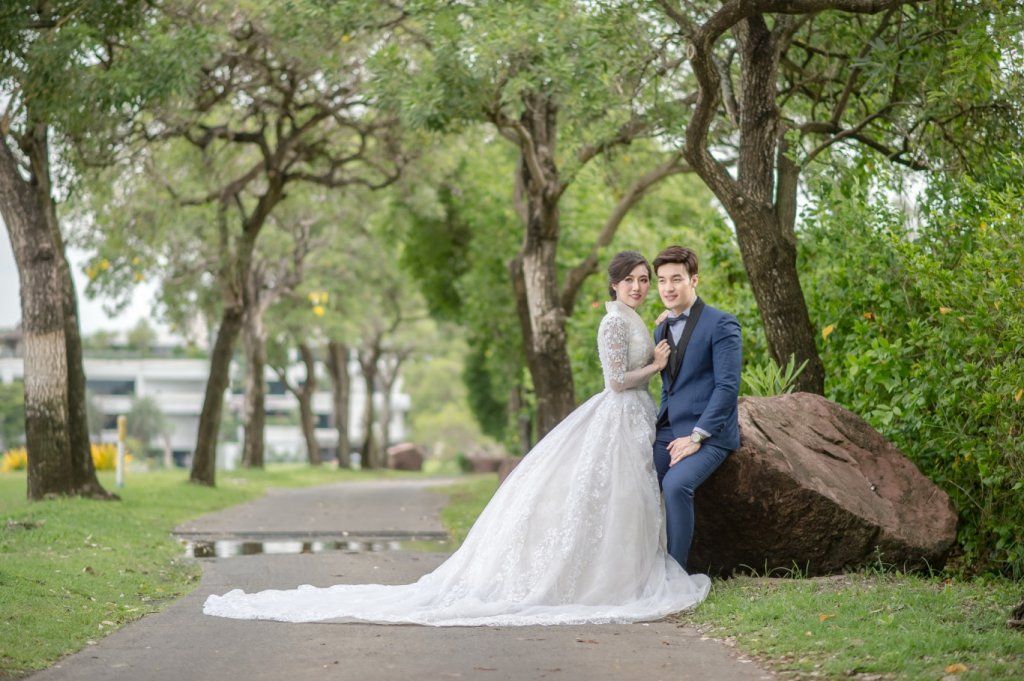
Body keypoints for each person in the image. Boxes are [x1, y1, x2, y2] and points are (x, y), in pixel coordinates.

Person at [203, 251, 711, 626]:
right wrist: (655, 365)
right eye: (630, 280)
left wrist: (661, 327)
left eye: (644, 280)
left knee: (624, 498)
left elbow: (642, 345)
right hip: (618, 411)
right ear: (614, 285)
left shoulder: (634, 317)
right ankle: (609, 579)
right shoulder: (612, 324)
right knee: (613, 494)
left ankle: (626, 569)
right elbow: (616, 381)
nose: (639, 287)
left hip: (633, 420)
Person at [650, 246, 742, 571]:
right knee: (637, 480)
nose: (668, 287)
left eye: (676, 279)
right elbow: (669, 387)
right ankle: (641, 568)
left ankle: (676, 573)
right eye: (662, 280)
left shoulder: (722, 324)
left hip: (710, 433)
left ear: (694, 280)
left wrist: (696, 436)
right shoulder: (661, 329)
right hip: (669, 430)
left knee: (676, 486)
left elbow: (727, 387)